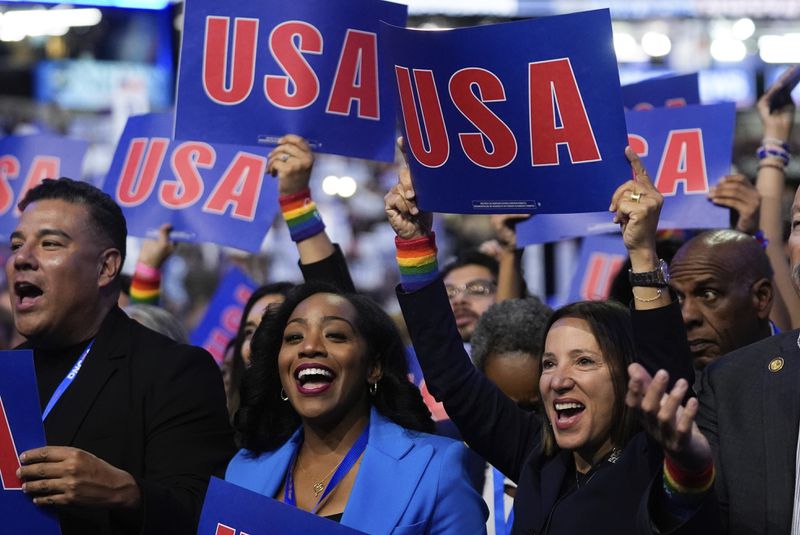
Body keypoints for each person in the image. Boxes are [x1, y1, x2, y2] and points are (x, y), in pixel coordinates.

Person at [386, 142, 719, 533]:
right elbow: (453, 377)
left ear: (630, 378)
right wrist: (414, 242)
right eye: (549, 363)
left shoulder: (646, 460)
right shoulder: (536, 455)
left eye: (584, 360)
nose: (558, 380)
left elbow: (669, 385)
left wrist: (643, 252)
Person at [9, 178, 234, 535]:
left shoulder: (175, 372)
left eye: (49, 243)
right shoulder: (6, 373)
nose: (21, 258)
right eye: (16, 244)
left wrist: (125, 492)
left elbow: (204, 516)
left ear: (105, 268)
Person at [226, 282, 487, 533]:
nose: (309, 347)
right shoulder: (242, 471)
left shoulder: (436, 469)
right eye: (294, 337)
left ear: (373, 368)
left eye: (335, 335)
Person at [691, 79, 800, 534]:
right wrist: (773, 141)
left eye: (708, 292)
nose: (690, 312)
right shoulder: (739, 382)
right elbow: (773, 248)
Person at [225, 134, 356, 418]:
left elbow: (338, 301)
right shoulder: (224, 443)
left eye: (285, 332)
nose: (259, 341)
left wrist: (295, 198)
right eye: (249, 332)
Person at [668, 228, 774, 369]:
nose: (686, 317)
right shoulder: (669, 379)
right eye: (678, 297)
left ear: (761, 298)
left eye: (708, 295)